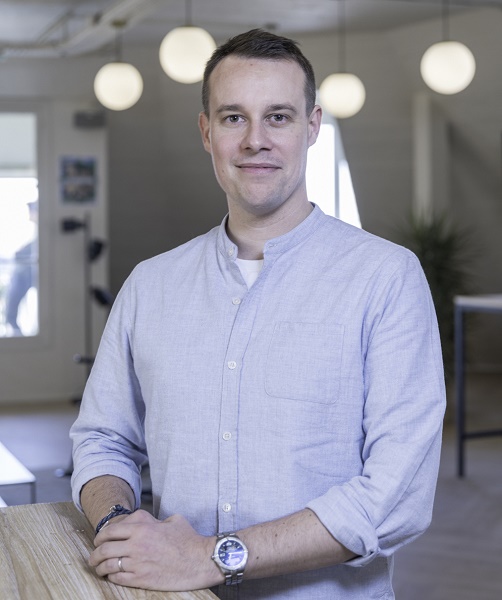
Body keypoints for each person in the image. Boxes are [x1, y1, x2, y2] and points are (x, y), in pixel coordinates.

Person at [70, 29, 446, 599]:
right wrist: (121, 530)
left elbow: (397, 495)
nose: (255, 141)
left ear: (312, 126)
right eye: (232, 118)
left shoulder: (386, 279)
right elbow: (102, 437)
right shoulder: (151, 285)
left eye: (278, 117)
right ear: (206, 132)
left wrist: (211, 557)